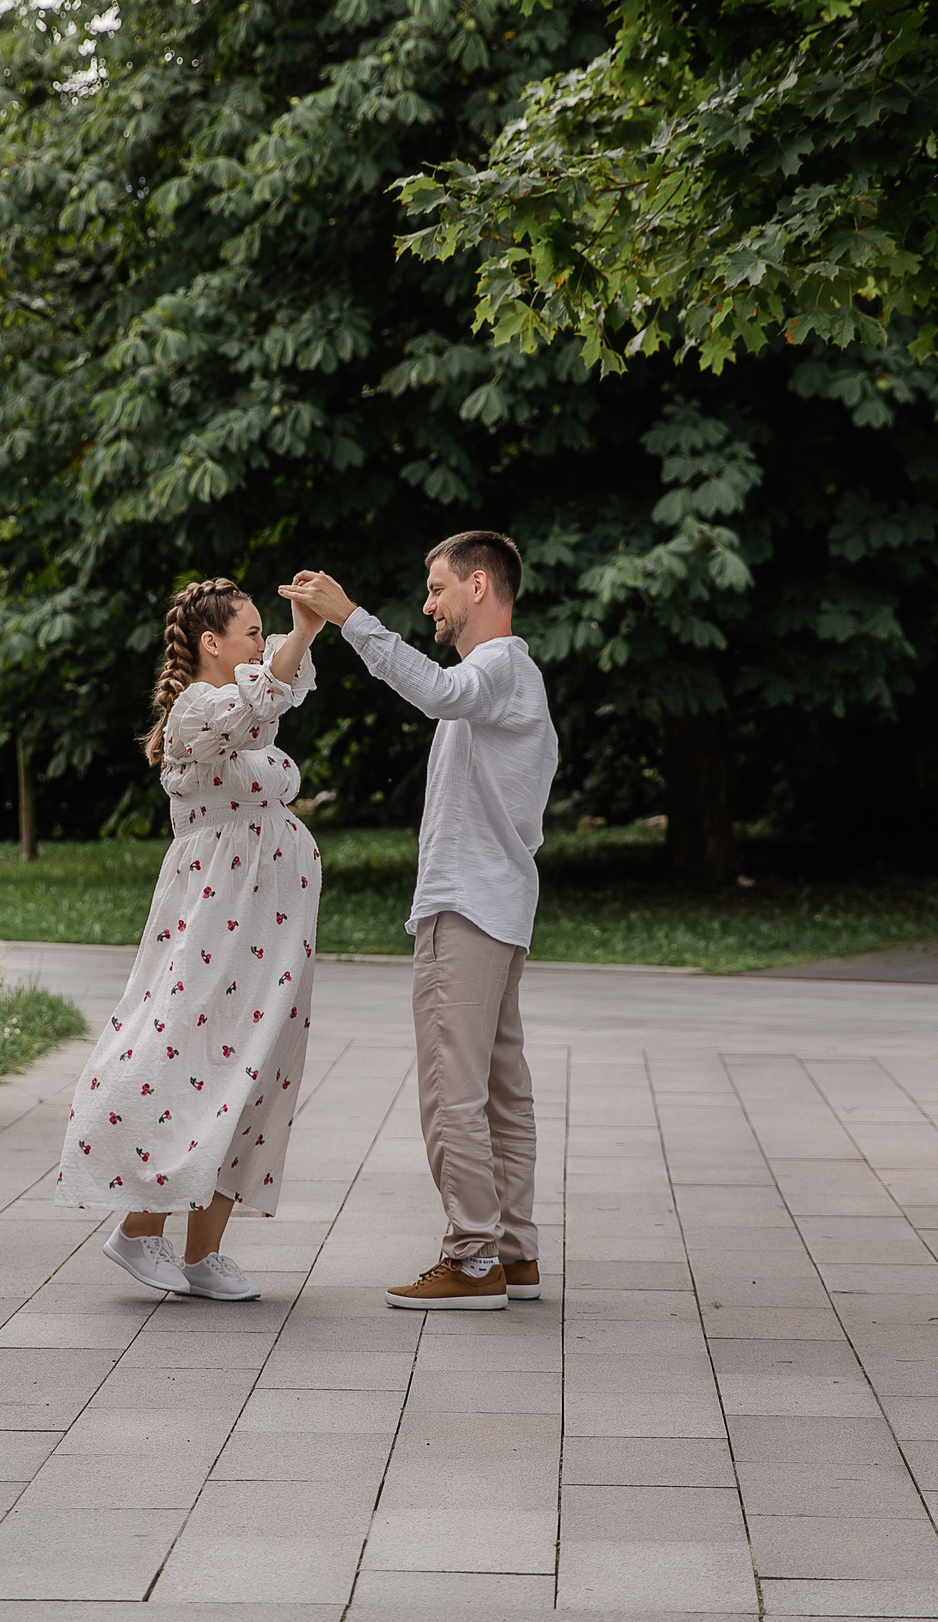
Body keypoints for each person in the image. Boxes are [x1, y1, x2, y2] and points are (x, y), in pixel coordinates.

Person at [280, 533, 559, 1312]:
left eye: (437, 588)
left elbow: (434, 690)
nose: (429, 602)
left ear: (478, 586)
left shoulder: (495, 669)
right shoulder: (509, 677)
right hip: (497, 905)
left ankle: (473, 1258)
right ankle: (513, 1251)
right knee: (503, 1088)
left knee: (452, 1090)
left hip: (466, 907)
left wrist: (350, 618)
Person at [55, 577, 328, 1301]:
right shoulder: (197, 709)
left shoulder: (239, 709)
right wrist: (301, 634)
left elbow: (275, 691)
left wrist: (300, 638)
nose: (260, 644)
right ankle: (141, 1227)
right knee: (197, 1056)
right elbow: (262, 697)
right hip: (220, 923)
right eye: (250, 632)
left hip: (268, 928)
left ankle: (203, 1253)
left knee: (256, 1068)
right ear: (213, 644)